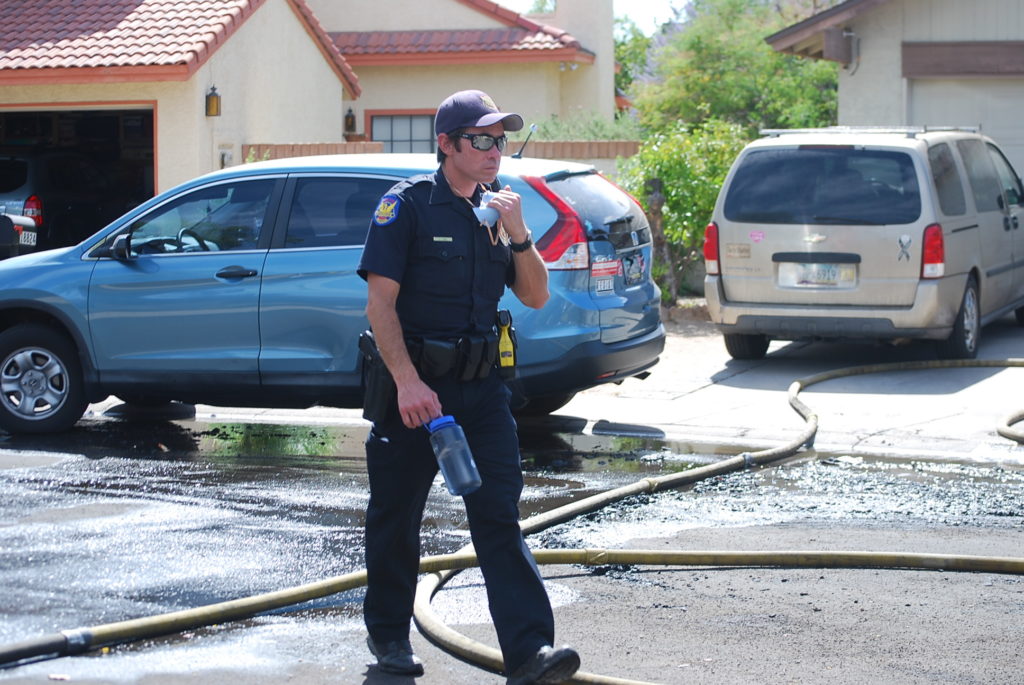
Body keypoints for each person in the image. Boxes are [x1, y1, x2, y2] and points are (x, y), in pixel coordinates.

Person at [357, 89, 581, 684]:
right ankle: (389, 637)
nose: (493, 150)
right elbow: (380, 306)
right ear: (447, 144)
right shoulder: (406, 206)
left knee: (499, 515)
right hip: (415, 394)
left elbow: (535, 294)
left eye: (500, 140)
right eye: (480, 139)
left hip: (482, 393)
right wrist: (407, 384)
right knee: (396, 518)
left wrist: (520, 234)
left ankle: (529, 652)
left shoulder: (496, 211)